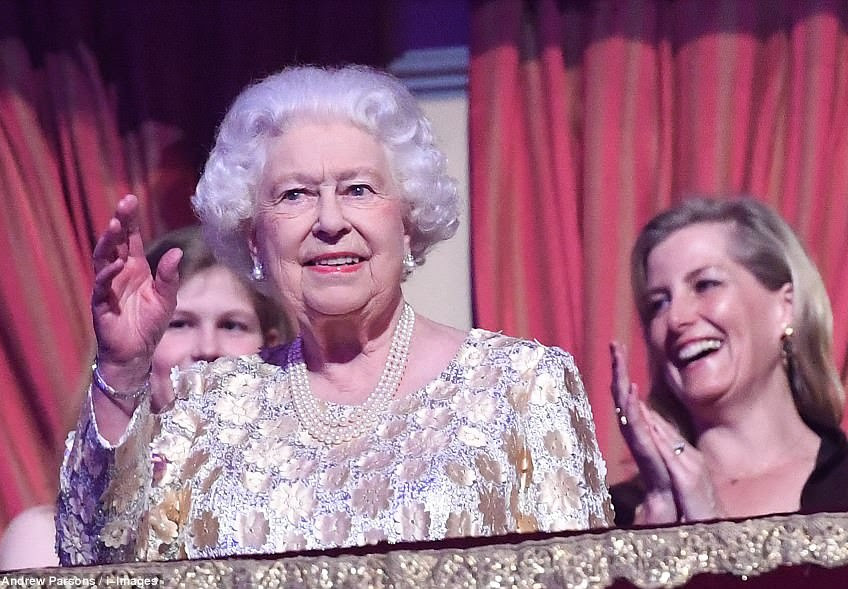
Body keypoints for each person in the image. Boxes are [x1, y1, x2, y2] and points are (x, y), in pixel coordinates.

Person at [57, 65, 613, 566]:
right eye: (295, 195)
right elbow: (92, 562)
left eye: (359, 189)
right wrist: (124, 371)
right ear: (255, 235)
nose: (329, 221)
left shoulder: (521, 386)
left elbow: (585, 578)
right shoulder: (203, 407)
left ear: (409, 220)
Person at [609, 197, 848, 526]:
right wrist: (648, 540)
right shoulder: (619, 514)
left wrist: (709, 529)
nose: (676, 318)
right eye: (658, 304)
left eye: (705, 285)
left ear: (785, 309)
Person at [0, 227, 291, 570]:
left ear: (271, 344)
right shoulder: (42, 540)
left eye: (232, 325)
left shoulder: (300, 513)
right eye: (179, 324)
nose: (207, 349)